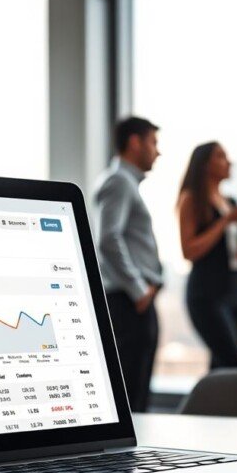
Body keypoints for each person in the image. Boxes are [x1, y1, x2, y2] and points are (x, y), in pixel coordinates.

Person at [94, 116, 163, 411]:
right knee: (133, 397)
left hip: (133, 301)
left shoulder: (124, 182)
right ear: (134, 142)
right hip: (129, 303)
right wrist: (138, 290)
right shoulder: (118, 181)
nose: (157, 152)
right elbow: (108, 239)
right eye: (153, 142)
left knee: (137, 392)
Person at [177, 142, 237, 370]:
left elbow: (234, 250)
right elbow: (189, 251)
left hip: (236, 289)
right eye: (221, 157)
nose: (228, 162)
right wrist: (225, 222)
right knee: (232, 362)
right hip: (207, 293)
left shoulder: (231, 203)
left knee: (222, 365)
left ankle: (211, 407)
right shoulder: (192, 200)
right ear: (204, 165)